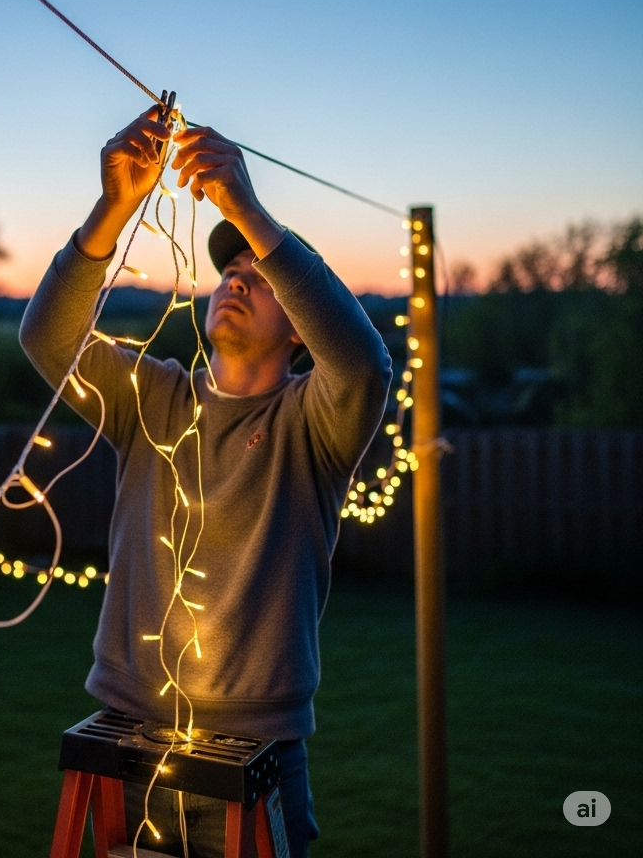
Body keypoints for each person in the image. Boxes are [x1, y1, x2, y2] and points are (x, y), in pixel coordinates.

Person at [20, 107, 392, 857]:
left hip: (258, 755)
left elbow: (363, 364)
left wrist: (246, 213)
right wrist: (114, 206)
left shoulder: (314, 425)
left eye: (259, 275)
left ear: (300, 326)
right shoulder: (152, 396)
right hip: (127, 742)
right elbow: (46, 338)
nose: (236, 281)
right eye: (229, 270)